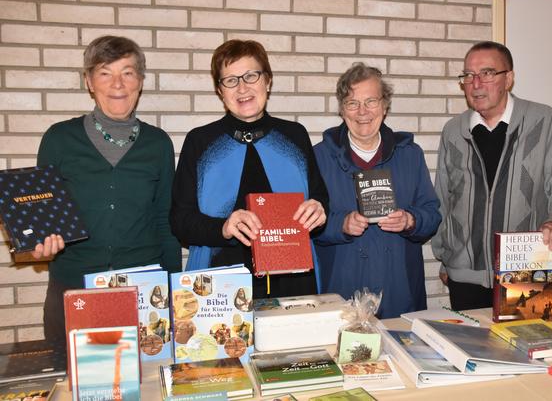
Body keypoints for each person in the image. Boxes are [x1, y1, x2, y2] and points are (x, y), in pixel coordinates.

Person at [34, 35, 182, 344]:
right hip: (74, 288)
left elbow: (164, 220)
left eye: (127, 72)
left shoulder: (158, 143)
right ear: (89, 81)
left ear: (139, 81)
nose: (118, 83)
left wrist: (170, 290)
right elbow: (41, 215)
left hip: (143, 290)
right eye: (105, 72)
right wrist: (36, 241)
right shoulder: (59, 139)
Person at [432, 41, 552, 311]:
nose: (476, 83)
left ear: (509, 79)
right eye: (468, 75)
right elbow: (443, 199)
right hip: (464, 273)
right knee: (471, 350)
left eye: (487, 73)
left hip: (528, 266)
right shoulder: (453, 131)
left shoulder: (543, 121)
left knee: (526, 348)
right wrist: (447, 260)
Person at [170, 39, 329, 298]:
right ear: (220, 91)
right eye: (230, 80)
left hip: (295, 281)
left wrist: (319, 210)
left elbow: (320, 199)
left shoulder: (295, 136)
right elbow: (180, 221)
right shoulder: (200, 142)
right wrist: (223, 227)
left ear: (267, 81)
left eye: (251, 76)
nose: (242, 87)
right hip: (220, 284)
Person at [313, 63, 442, 319]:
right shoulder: (318, 157)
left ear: (385, 106)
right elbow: (306, 225)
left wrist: (410, 220)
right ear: (341, 109)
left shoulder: (410, 155)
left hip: (399, 290)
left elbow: (433, 214)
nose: (362, 112)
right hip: (341, 289)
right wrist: (340, 224)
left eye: (371, 101)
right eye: (352, 103)